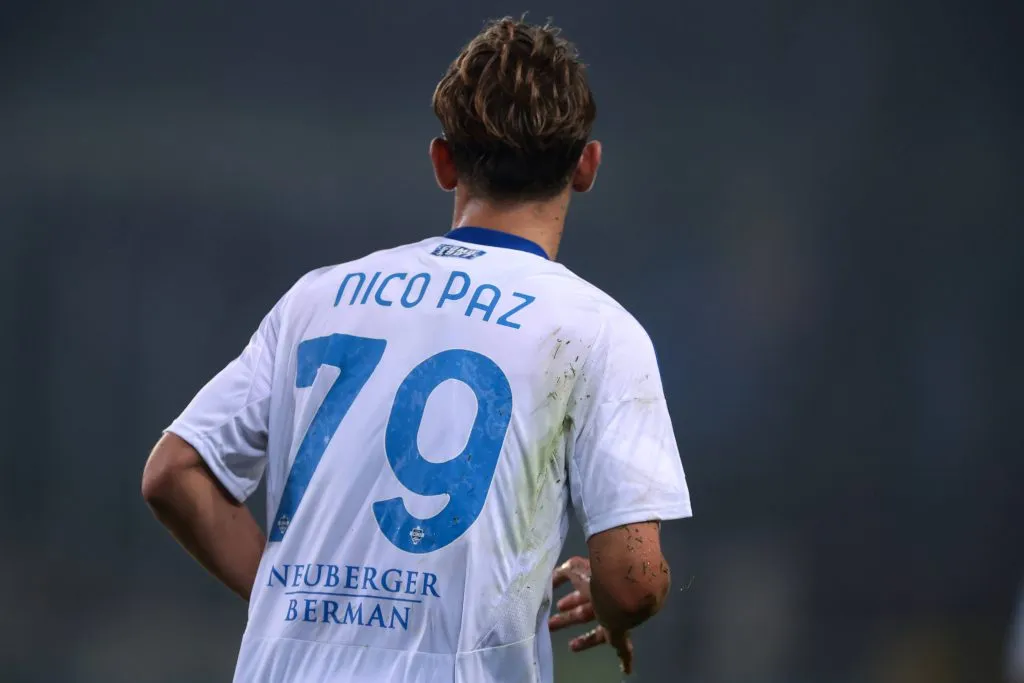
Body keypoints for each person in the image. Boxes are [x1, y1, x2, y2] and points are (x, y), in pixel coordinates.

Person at [141, 16, 691, 683]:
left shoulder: (319, 298)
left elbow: (173, 471)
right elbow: (634, 578)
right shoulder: (596, 330)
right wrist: (610, 603)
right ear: (586, 166)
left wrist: (289, 601)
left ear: (443, 162)